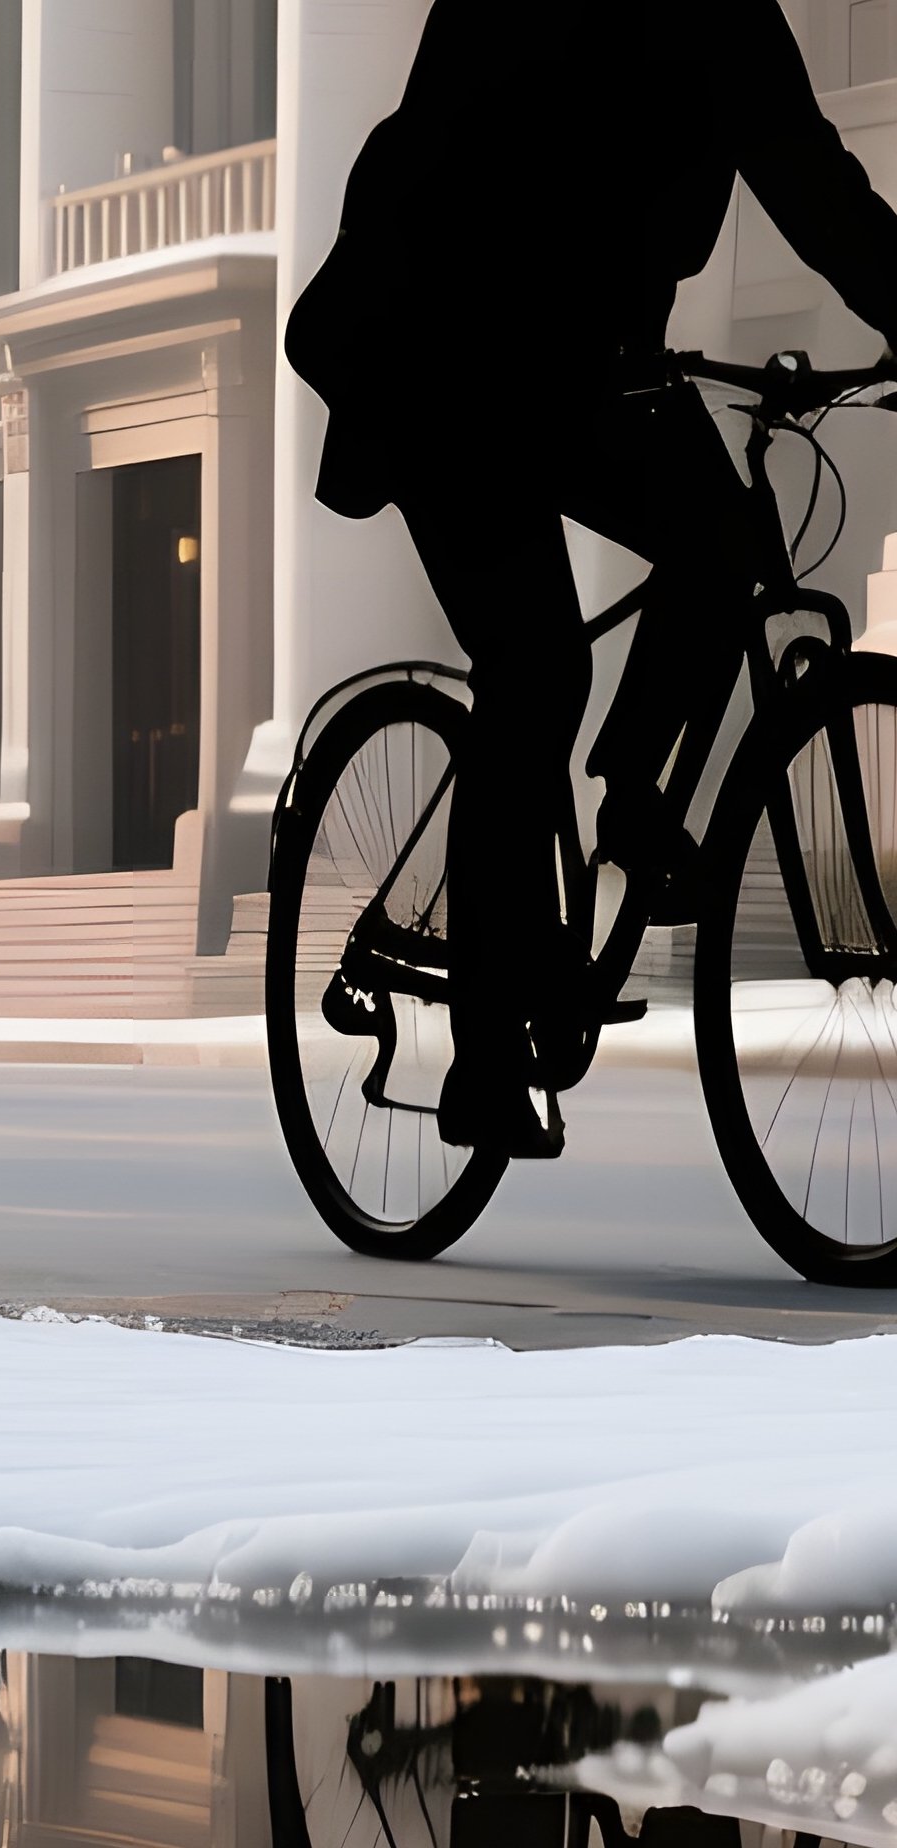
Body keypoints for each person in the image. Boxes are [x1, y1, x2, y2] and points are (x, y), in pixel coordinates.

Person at [286, 0, 897, 1158]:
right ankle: (481, 1057)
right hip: (443, 363)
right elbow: (446, 166)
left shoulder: (729, 20)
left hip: (584, 373)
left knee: (728, 541)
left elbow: (814, 183)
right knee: (538, 668)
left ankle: (631, 801)